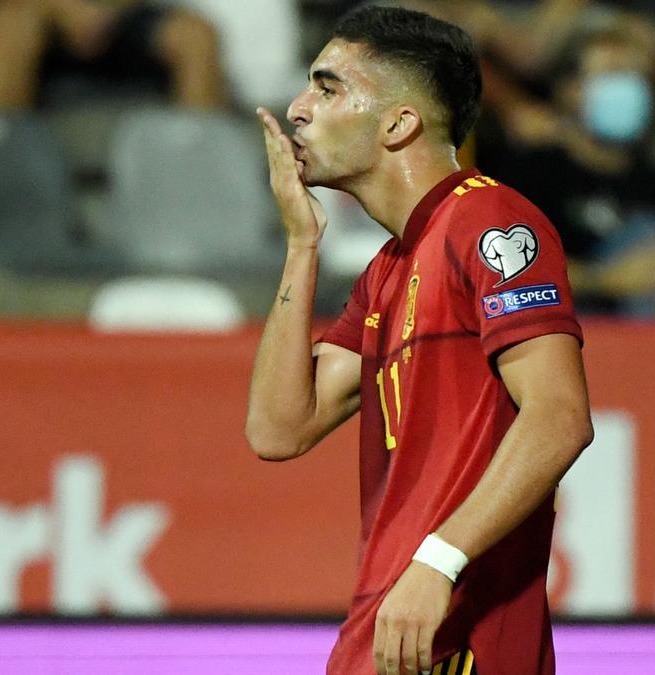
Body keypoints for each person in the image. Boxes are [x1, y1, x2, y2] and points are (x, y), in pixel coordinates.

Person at [245, 7, 593, 675]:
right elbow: (278, 427)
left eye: (327, 87)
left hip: (460, 634)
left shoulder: (490, 219)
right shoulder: (388, 268)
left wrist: (439, 560)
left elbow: (559, 417)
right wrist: (301, 244)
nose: (297, 108)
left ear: (399, 124)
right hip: (389, 629)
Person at [485, 24, 655, 315]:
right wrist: (604, 280)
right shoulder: (528, 177)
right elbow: (505, 271)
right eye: (612, 74)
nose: (628, 89)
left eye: (637, 77)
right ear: (570, 90)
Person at [0, 0, 226, 111]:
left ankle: (199, 182)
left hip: (123, 18)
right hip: (40, 15)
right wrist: (67, 10)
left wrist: (105, 12)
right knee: (10, 25)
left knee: (197, 37)